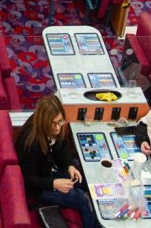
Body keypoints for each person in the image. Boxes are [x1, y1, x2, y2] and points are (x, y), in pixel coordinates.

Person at [15, 95, 96, 228]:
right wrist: (54, 184)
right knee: (82, 200)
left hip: (51, 169)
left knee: (86, 182)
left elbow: (62, 146)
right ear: (44, 122)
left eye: (60, 122)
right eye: (54, 124)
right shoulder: (30, 142)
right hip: (40, 186)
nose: (58, 128)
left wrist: (70, 165)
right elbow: (28, 179)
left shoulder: (54, 127)